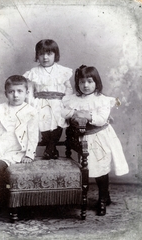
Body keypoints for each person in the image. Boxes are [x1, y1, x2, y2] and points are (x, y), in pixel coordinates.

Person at [62, 65, 129, 216]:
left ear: (96, 82)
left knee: (101, 169)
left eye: (90, 81)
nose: (85, 85)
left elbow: (100, 120)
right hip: (84, 137)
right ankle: (105, 195)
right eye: (81, 82)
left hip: (100, 137)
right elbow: (64, 111)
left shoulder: (102, 100)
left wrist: (86, 115)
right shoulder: (73, 99)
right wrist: (75, 112)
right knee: (89, 168)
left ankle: (102, 199)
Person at [0, 75, 39, 221]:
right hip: (0, 148)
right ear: (6, 93)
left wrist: (29, 154)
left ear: (26, 93)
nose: (15, 95)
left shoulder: (31, 111)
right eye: (11, 91)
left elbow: (33, 134)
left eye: (19, 91)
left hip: (17, 151)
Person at [23, 39, 73, 159]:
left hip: (58, 102)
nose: (45, 57)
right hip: (41, 102)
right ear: (37, 55)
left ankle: (50, 147)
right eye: (41, 54)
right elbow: (29, 91)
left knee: (59, 120)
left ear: (55, 55)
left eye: (49, 54)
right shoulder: (34, 72)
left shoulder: (62, 71)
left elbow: (68, 88)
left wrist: (66, 102)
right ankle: (51, 149)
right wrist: (30, 105)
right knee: (42, 122)